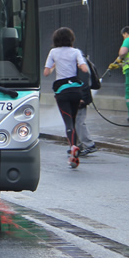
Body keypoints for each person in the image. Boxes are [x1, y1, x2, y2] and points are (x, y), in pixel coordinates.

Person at [43, 27, 89, 168]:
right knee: (74, 120)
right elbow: (84, 69)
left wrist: (54, 66)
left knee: (68, 122)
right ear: (71, 39)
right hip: (76, 91)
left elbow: (46, 72)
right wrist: (77, 64)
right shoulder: (76, 52)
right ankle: (74, 150)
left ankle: (73, 148)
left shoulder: (53, 52)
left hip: (62, 92)